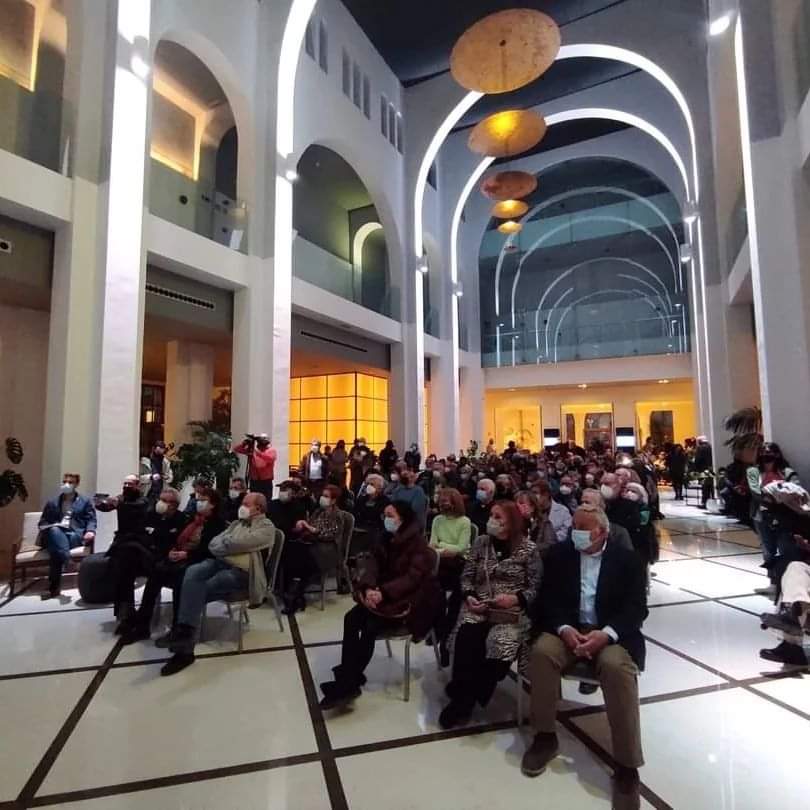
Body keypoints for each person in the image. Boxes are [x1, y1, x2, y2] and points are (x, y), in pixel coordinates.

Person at [522, 507, 647, 792]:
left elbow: (636, 608)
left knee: (616, 668)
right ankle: (545, 736)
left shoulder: (627, 560)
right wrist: (564, 628)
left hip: (610, 633)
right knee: (542, 653)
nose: (574, 532)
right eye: (574, 526)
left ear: (602, 532)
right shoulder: (560, 555)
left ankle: (627, 763)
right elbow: (548, 600)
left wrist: (606, 634)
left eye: (582, 528)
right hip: (569, 628)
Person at [319, 501, 442, 710]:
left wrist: (383, 592)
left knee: (370, 627)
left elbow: (412, 579)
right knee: (351, 618)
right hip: (382, 597)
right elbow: (371, 563)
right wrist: (369, 588)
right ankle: (349, 676)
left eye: (390, 515)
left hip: (408, 603)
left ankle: (347, 683)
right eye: (385, 515)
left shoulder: (419, 546)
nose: (386, 519)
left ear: (403, 519)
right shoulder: (385, 539)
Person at [439, 501, 541, 728]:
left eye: (498, 517)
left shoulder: (528, 549)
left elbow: (535, 587)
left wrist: (516, 598)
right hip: (479, 605)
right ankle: (462, 702)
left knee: (499, 644)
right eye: (492, 515)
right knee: (467, 637)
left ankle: (472, 692)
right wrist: (469, 595)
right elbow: (467, 576)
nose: (491, 520)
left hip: (510, 611)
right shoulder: (482, 543)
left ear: (511, 523)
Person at [161, 493, 276, 675]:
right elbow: (213, 544)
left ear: (258, 508)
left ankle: (184, 647)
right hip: (220, 562)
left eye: (246, 504)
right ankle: (183, 631)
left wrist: (227, 544)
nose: (242, 506)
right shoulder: (237, 524)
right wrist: (230, 546)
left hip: (242, 572)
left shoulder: (267, 527)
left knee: (198, 589)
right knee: (192, 573)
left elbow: (243, 542)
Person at [122, 488, 227, 645]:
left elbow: (210, 549)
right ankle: (142, 625)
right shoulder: (193, 519)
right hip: (181, 557)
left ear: (213, 504)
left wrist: (187, 554)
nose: (199, 503)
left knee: (180, 581)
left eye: (203, 500)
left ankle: (177, 629)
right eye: (198, 499)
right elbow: (178, 538)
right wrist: (173, 551)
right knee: (155, 575)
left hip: (199, 561)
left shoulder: (217, 524)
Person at [117, 489, 188, 643]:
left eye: (166, 501)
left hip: (166, 560)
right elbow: (142, 534)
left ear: (175, 505)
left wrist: (156, 533)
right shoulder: (150, 515)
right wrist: (157, 534)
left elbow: (172, 540)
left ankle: (142, 626)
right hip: (148, 556)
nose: (161, 503)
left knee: (156, 576)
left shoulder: (180, 519)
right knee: (124, 564)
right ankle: (128, 614)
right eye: (161, 499)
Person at [281, 483, 344, 613]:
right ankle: (295, 594)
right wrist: (302, 525)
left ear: (333, 500)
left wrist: (311, 529)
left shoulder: (337, 515)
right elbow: (310, 525)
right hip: (313, 544)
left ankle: (295, 595)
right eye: (322, 495)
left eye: (326, 496)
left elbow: (329, 534)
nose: (322, 498)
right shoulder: (318, 511)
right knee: (292, 552)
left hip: (327, 549)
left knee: (305, 559)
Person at [36, 472, 97, 599]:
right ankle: (67, 560)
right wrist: (52, 526)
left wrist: (90, 531)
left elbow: (91, 519)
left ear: (77, 484)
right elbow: (42, 522)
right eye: (64, 482)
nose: (66, 484)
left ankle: (53, 587)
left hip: (74, 535)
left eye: (70, 482)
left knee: (56, 547)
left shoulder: (85, 501)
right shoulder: (52, 502)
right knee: (55, 533)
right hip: (55, 534)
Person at [430, 487, 473, 665]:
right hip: (440, 561)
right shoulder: (437, 520)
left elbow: (461, 548)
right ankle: (437, 627)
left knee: (456, 597)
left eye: (445, 500)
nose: (442, 503)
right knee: (431, 588)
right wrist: (444, 548)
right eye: (440, 500)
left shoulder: (465, 522)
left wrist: (442, 546)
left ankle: (446, 637)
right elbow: (432, 544)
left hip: (459, 564)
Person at [234, 433, 277, 502]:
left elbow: (270, 458)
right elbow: (237, 449)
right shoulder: (253, 451)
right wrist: (244, 444)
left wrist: (256, 451)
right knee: (254, 500)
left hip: (266, 481)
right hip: (254, 481)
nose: (261, 442)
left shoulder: (271, 450)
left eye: (263, 440)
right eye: (260, 440)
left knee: (266, 500)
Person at [353, 473, 388, 553]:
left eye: (372, 484)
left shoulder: (385, 501)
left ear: (379, 488)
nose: (368, 486)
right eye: (368, 484)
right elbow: (354, 513)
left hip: (375, 530)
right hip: (359, 527)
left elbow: (380, 520)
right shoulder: (361, 499)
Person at [515, 490, 557, 555]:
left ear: (532, 507)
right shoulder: (516, 523)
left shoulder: (544, 523)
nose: (518, 506)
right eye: (516, 504)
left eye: (522, 503)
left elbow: (551, 544)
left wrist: (530, 548)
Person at [532, 479, 572, 543]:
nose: (532, 496)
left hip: (555, 546)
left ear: (546, 494)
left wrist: (548, 538)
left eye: (535, 493)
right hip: (534, 546)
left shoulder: (563, 510)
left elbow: (566, 532)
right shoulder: (531, 511)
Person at [139, 440, 173, 506]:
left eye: (162, 451)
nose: (160, 454)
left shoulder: (165, 462)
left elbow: (170, 478)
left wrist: (166, 477)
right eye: (158, 451)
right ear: (153, 449)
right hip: (147, 493)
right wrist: (150, 477)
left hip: (161, 493)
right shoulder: (144, 461)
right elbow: (139, 478)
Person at [693, 435, 714, 508]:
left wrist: (695, 468)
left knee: (704, 487)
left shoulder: (700, 448)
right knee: (711, 486)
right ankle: (712, 501)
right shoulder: (710, 446)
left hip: (703, 469)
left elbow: (698, 459)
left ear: (699, 441)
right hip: (711, 469)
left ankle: (704, 502)